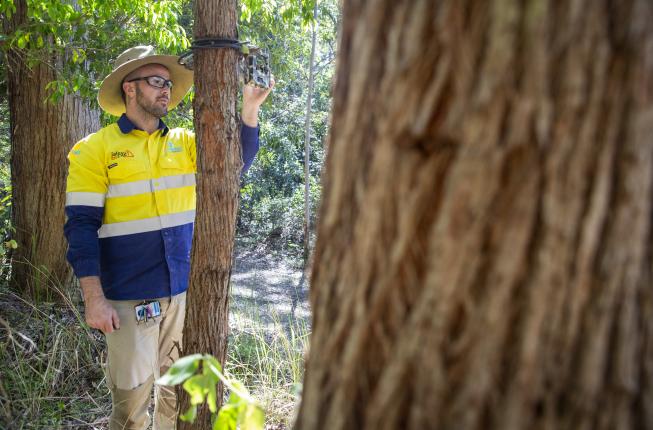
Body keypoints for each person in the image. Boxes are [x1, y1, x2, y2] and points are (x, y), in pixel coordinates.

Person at [63, 45, 274, 429]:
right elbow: (80, 228)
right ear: (130, 88)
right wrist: (93, 299)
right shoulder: (94, 150)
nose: (166, 90)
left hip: (182, 294)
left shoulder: (187, 141)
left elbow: (233, 166)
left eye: (168, 84)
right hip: (128, 296)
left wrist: (250, 109)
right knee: (130, 408)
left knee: (179, 402)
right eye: (157, 82)